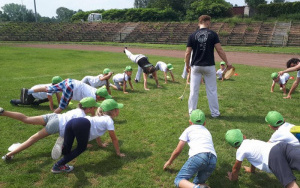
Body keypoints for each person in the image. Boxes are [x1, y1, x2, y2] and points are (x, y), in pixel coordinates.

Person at [1, 97, 100, 161]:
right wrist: (84, 144)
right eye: (93, 108)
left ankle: (3, 112)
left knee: (26, 119)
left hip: (54, 116)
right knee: (33, 139)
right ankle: (9, 155)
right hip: (56, 124)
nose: (94, 109)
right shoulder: (82, 117)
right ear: (90, 108)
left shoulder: (77, 109)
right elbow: (77, 133)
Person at [51, 99, 125, 173]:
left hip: (72, 122)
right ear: (114, 111)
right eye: (118, 109)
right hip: (82, 124)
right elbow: (114, 139)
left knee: (67, 149)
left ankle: (62, 148)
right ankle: (58, 166)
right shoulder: (109, 120)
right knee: (81, 148)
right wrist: (118, 153)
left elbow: (97, 134)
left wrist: (101, 144)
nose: (119, 110)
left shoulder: (99, 117)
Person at [185, 15, 232, 117]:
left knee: (194, 91)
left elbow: (187, 53)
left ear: (199, 23)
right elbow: (219, 50)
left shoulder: (192, 35)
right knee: (211, 91)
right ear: (206, 22)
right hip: (209, 66)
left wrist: (186, 65)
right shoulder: (213, 34)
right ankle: (215, 113)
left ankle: (192, 113)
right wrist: (227, 62)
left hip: (196, 66)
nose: (210, 24)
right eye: (209, 22)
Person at [226, 129, 300, 188]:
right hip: (281, 146)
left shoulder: (240, 151)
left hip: (273, 156)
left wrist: (233, 178)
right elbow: (254, 157)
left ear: (234, 147)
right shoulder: (252, 142)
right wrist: (251, 170)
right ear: (244, 137)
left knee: (290, 183)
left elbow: (236, 168)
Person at [163, 109, 217, 188]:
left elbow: (178, 150)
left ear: (190, 122)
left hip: (199, 156)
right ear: (204, 123)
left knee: (179, 179)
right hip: (213, 159)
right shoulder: (207, 131)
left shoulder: (189, 129)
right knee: (198, 183)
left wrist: (170, 161)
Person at [21, 78, 112, 113]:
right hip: (71, 87)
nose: (103, 100)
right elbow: (92, 110)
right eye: (103, 98)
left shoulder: (96, 90)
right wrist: (95, 117)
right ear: (99, 97)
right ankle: (50, 119)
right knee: (62, 107)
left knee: (49, 88)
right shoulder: (92, 97)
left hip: (70, 81)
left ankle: (28, 91)